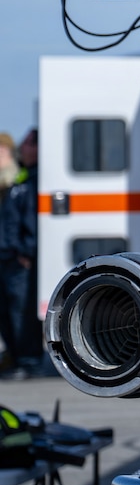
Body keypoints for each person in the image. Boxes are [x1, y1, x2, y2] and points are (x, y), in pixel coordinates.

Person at [0, 131, 39, 380]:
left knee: (21, 310)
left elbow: (32, 220)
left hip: (17, 258)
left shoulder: (31, 181)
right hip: (6, 256)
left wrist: (26, 251)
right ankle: (15, 356)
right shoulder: (20, 180)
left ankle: (28, 360)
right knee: (7, 311)